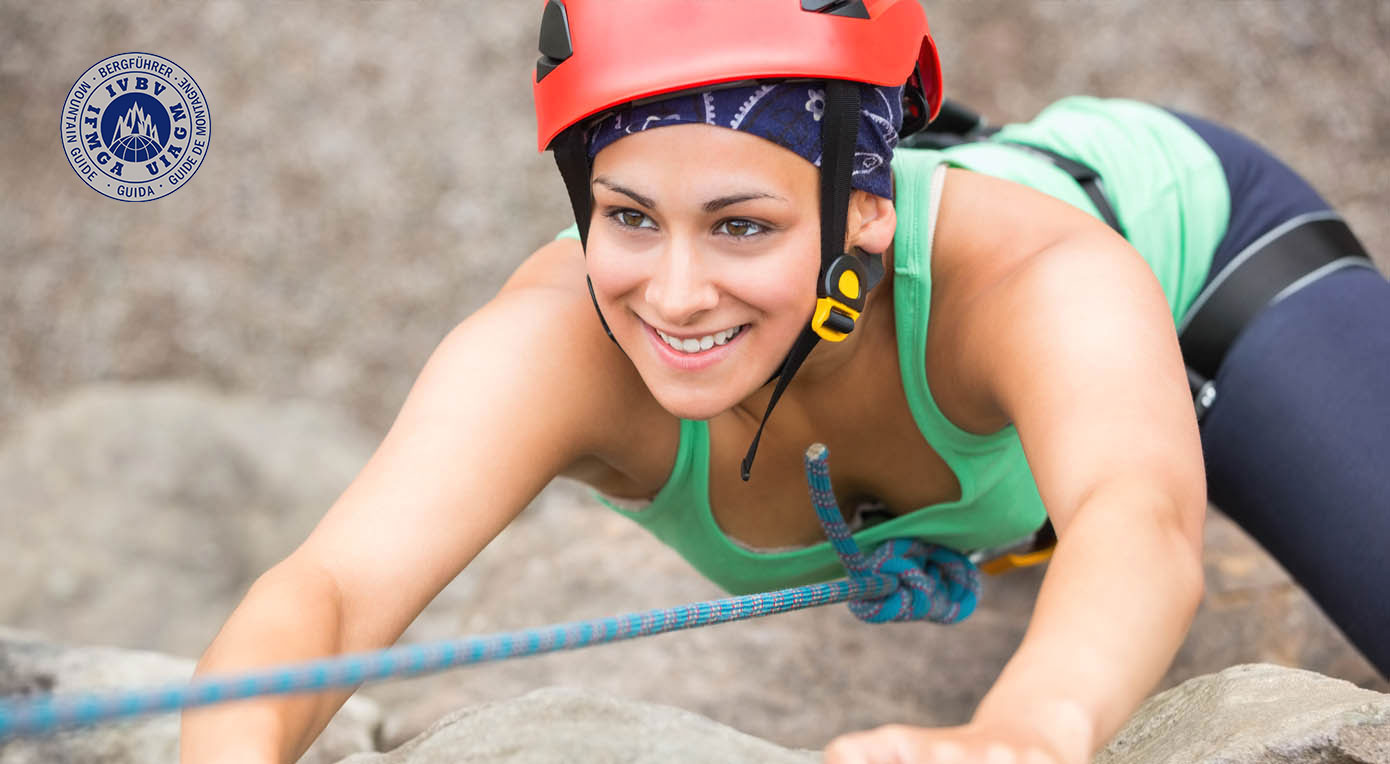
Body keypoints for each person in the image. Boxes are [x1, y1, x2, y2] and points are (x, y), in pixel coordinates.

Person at [180, 1, 1390, 762]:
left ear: (868, 203)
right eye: (629, 215)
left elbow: (1139, 518)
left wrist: (1027, 729)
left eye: (743, 226)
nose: (676, 291)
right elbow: (332, 589)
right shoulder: (556, 343)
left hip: (1211, 276)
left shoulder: (1034, 277)